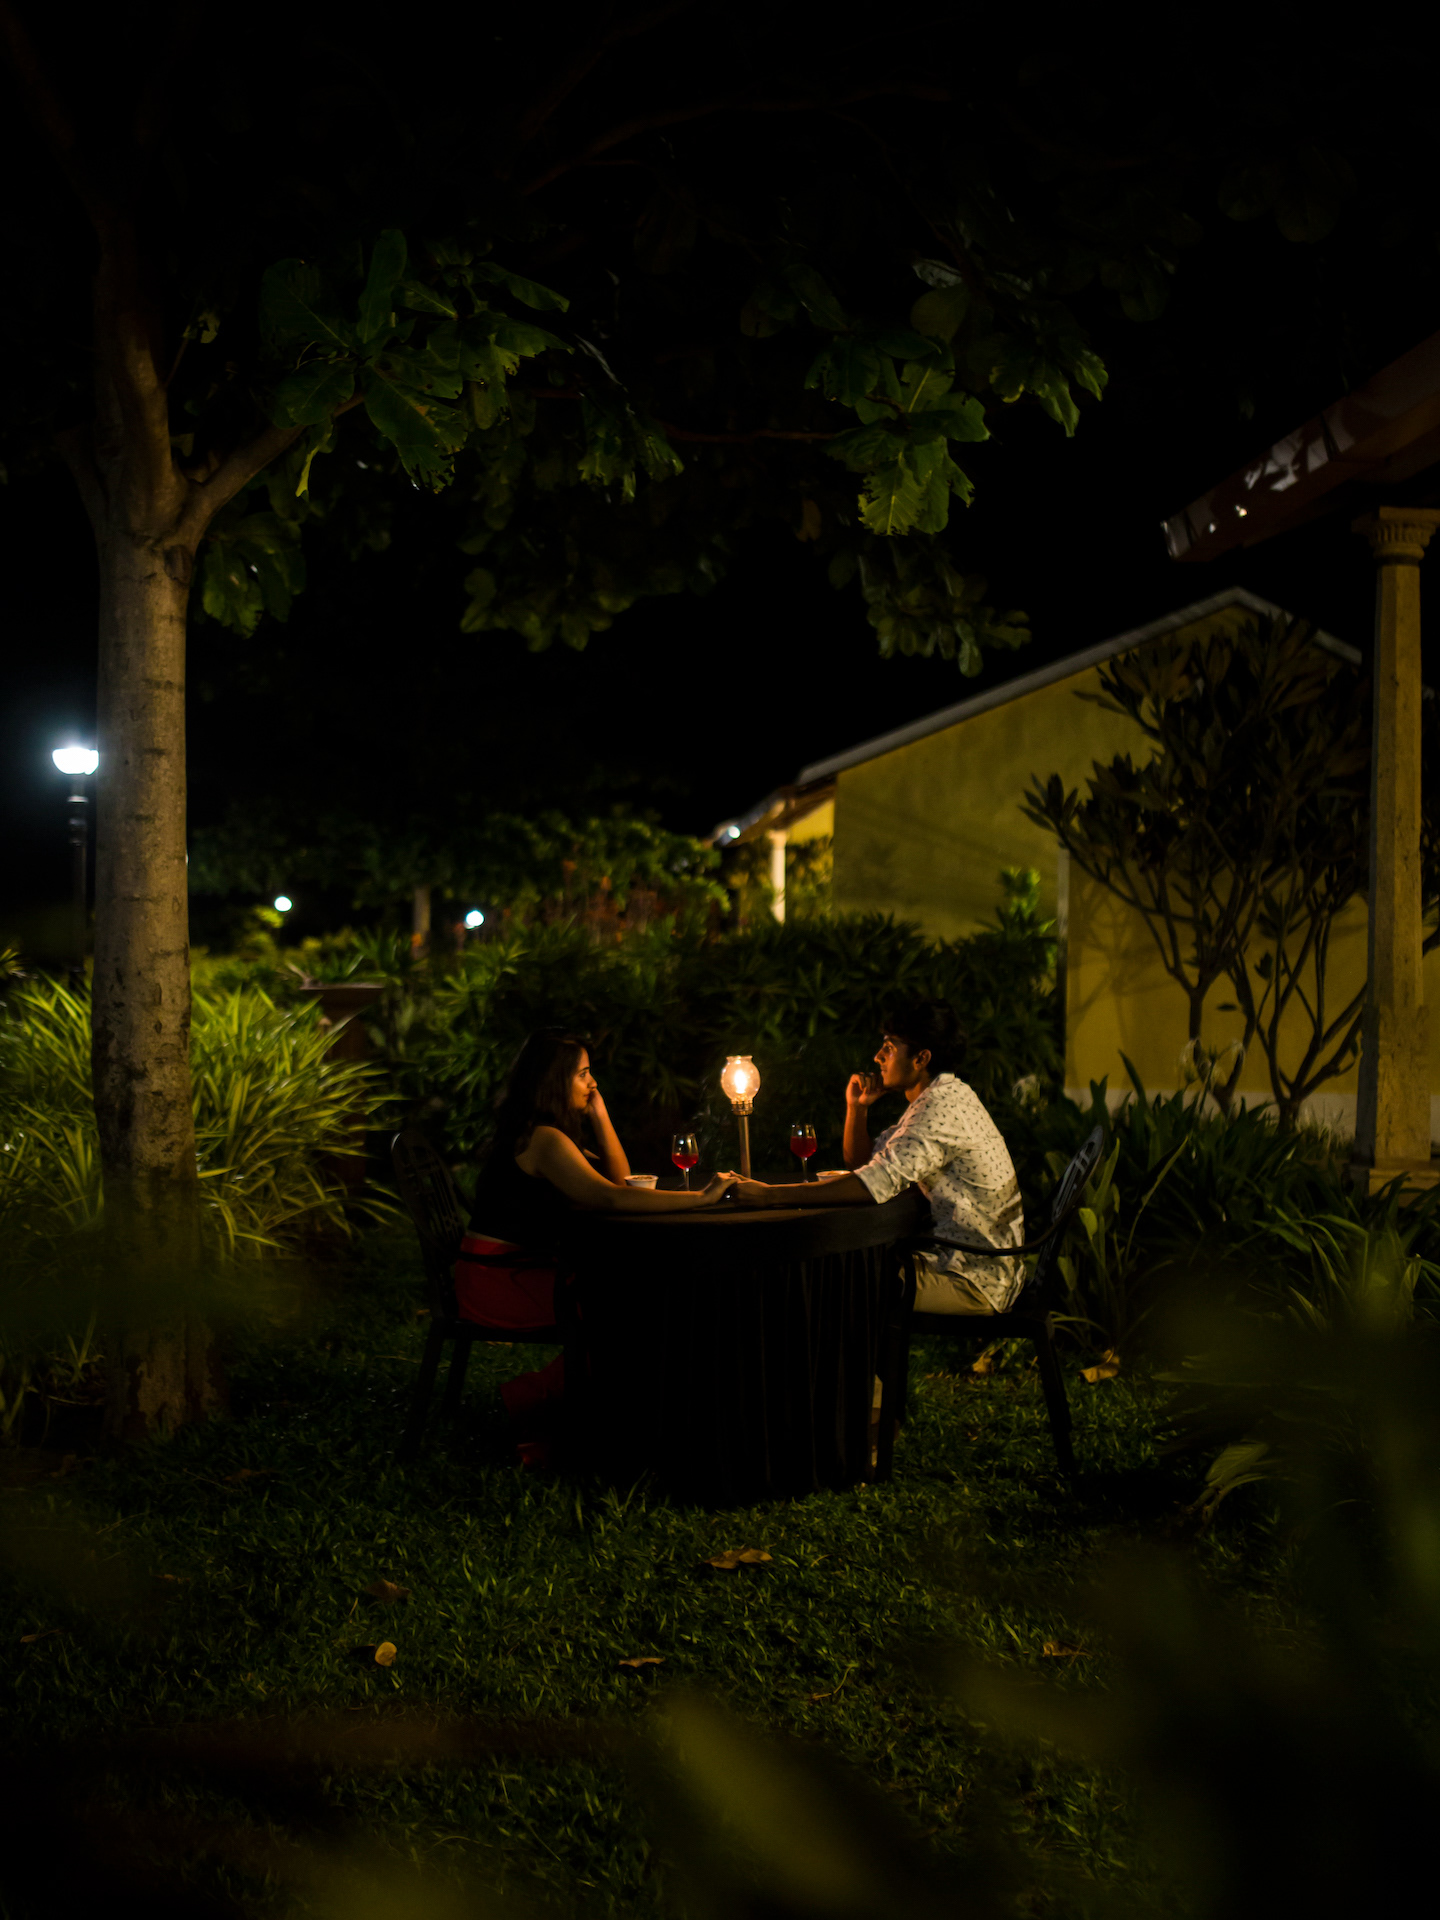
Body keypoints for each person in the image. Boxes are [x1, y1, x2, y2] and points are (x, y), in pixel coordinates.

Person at [456, 1028, 736, 1439]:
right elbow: (611, 1198)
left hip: (511, 1271)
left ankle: (599, 1410)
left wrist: (600, 1117)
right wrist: (701, 1199)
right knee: (628, 1310)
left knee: (636, 1300)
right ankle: (533, 1402)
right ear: (555, 1080)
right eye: (583, 1074)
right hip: (498, 1281)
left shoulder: (546, 1132)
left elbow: (620, 1182)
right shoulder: (544, 1139)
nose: (593, 1083)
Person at [730, 1000, 1025, 1315]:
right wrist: (857, 1109)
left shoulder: (940, 1109)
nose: (878, 1056)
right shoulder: (943, 1098)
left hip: (974, 1280)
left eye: (890, 1047)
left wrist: (769, 1196)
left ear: (921, 1058)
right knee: (839, 1267)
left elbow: (871, 1185)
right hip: (969, 1265)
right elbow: (865, 1168)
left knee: (831, 1279)